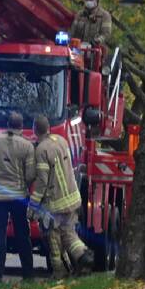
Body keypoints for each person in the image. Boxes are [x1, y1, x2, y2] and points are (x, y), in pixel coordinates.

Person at [29, 114, 94, 278]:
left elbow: (42, 181)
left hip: (55, 203)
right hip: (73, 199)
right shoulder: (61, 140)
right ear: (49, 127)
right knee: (69, 233)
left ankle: (59, 272)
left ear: (34, 130)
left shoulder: (41, 150)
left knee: (53, 239)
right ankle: (83, 255)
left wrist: (33, 205)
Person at [0, 111, 36, 283]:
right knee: (22, 234)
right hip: (19, 196)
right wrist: (24, 184)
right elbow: (30, 174)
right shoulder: (27, 146)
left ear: (7, 125)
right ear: (21, 126)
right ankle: (28, 274)